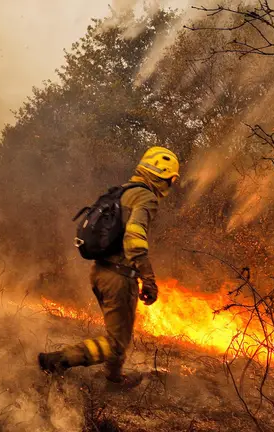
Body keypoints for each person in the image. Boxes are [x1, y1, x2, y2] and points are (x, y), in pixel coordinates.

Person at [38, 146, 180, 388]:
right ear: (164, 175)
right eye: (171, 180)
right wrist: (148, 278)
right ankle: (58, 360)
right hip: (119, 277)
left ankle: (114, 377)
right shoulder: (146, 196)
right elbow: (135, 237)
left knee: (119, 337)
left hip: (100, 272)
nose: (170, 185)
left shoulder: (123, 192)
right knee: (115, 343)